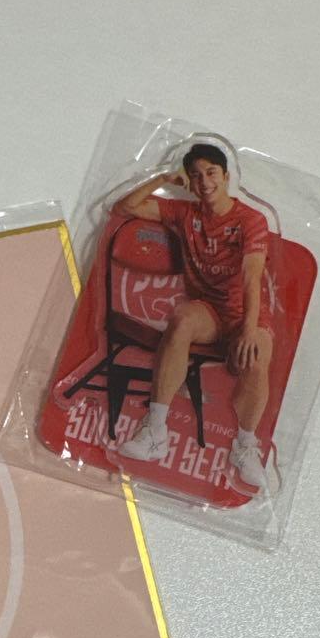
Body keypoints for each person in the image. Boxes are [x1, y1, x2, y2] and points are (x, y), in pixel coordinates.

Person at [112, 143, 272, 487]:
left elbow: (251, 278)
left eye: (211, 173)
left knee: (257, 354)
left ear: (226, 176)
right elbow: (126, 207)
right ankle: (156, 432)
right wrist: (164, 177)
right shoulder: (185, 213)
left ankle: (245, 447)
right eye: (196, 176)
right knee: (183, 319)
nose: (204, 182)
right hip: (209, 311)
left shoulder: (250, 220)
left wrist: (247, 331)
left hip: (246, 314)